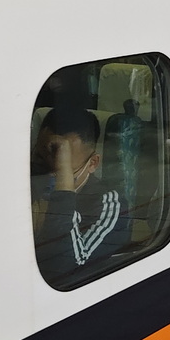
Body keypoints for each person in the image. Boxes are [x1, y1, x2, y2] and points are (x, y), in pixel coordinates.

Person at [33, 106, 129, 284]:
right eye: (41, 161)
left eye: (63, 168)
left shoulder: (108, 204)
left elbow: (65, 265)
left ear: (92, 164)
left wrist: (62, 191)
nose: (48, 176)